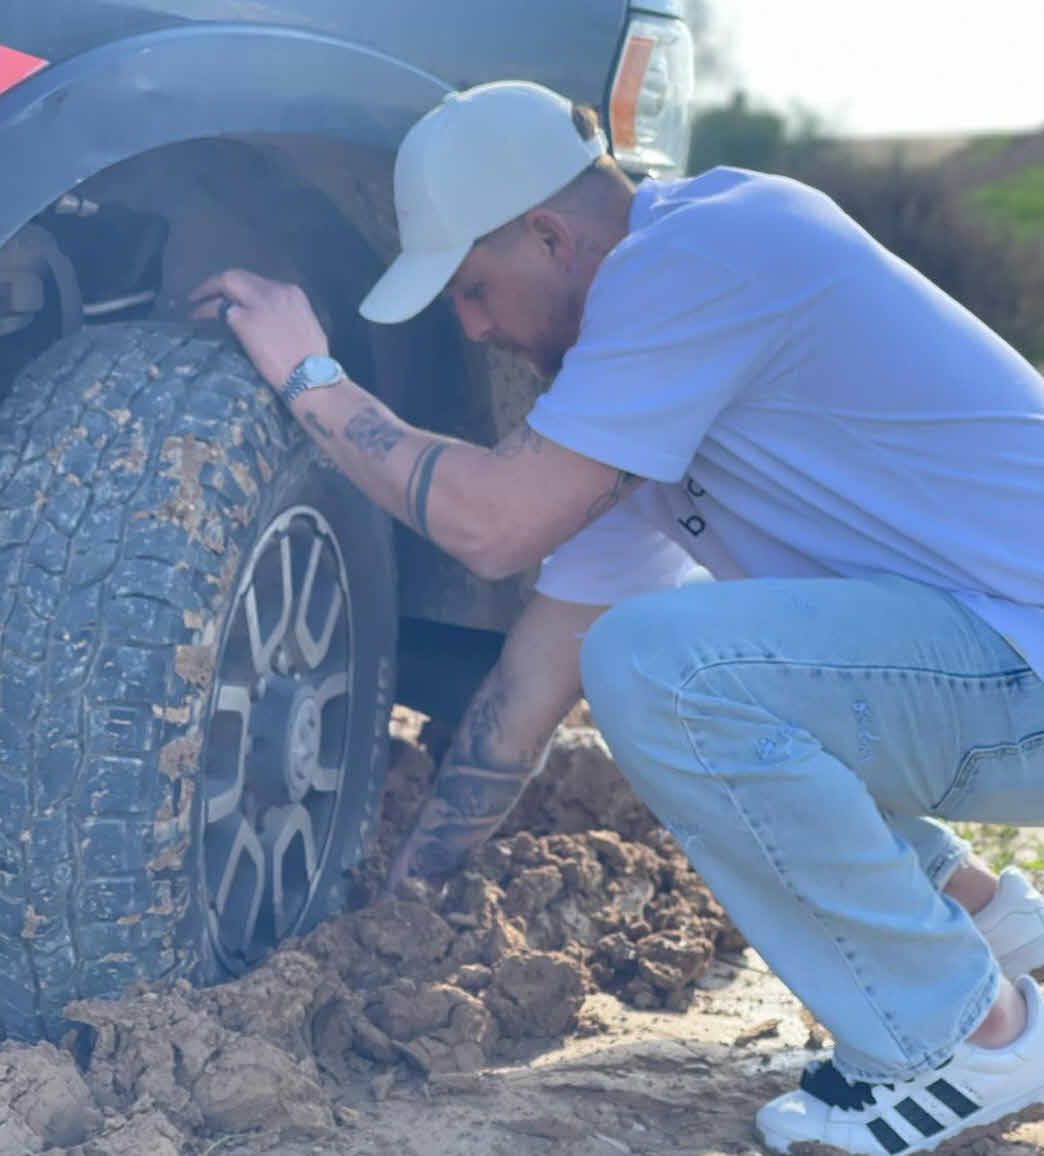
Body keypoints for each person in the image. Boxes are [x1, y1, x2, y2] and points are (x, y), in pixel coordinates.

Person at [190, 80, 1044, 1154]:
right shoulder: (647, 395)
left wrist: (309, 375)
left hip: (1023, 660)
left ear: (550, 234)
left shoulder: (708, 254)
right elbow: (536, 679)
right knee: (666, 654)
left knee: (668, 665)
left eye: (472, 290)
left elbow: (490, 526)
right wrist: (407, 896)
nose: (476, 329)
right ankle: (987, 930)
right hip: (997, 664)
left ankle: (966, 1036)